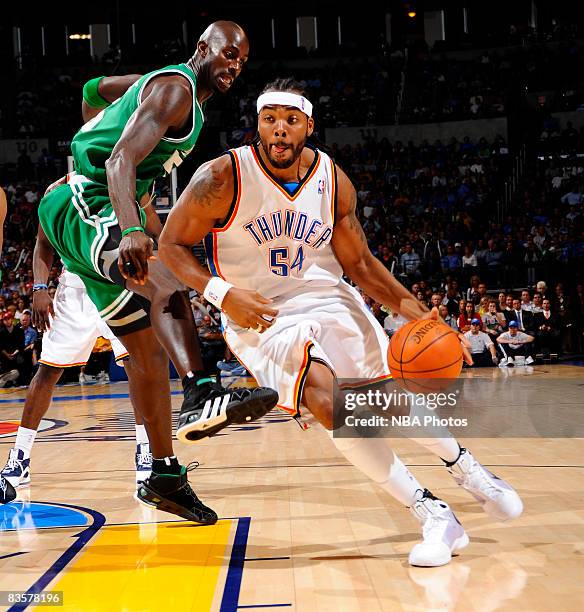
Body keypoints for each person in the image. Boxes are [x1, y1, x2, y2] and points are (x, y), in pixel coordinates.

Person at [158, 78, 522, 567]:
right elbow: (169, 245)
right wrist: (222, 294)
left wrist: (411, 308)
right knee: (328, 404)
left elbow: (362, 263)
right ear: (258, 124)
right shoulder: (222, 177)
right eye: (270, 120)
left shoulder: (333, 180)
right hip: (259, 312)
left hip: (327, 297)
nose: (280, 132)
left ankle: (467, 469)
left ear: (309, 125)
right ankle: (432, 512)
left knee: (387, 402)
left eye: (291, 121)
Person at [35, 22, 278, 521]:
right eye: (228, 53)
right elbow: (121, 158)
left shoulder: (165, 88)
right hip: (83, 198)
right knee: (164, 281)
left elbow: (90, 91)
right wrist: (128, 227)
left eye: (243, 60)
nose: (235, 64)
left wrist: (95, 127)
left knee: (145, 350)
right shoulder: (175, 88)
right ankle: (203, 390)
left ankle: (163, 474)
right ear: (201, 48)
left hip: (100, 202)